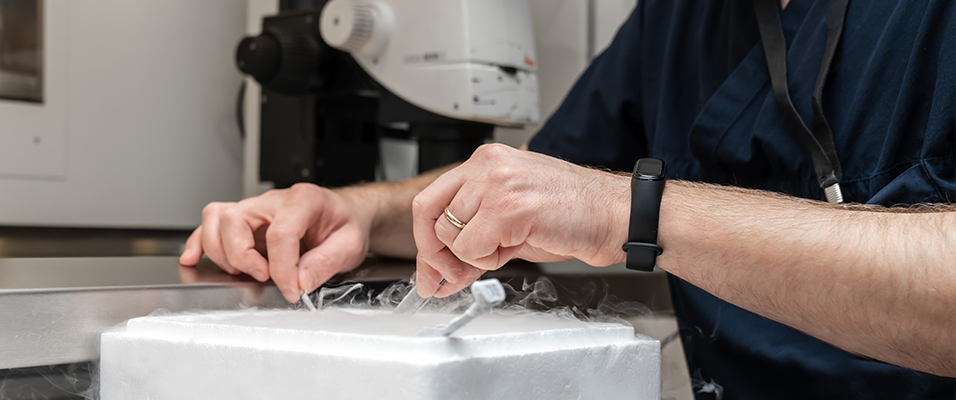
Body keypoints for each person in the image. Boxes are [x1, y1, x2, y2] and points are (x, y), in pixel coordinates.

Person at [180, 0, 955, 397]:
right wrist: (361, 211)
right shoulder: (681, 17)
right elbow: (535, 183)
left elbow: (599, 200)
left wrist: (628, 212)